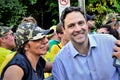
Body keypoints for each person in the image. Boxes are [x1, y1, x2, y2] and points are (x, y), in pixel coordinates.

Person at [52, 6, 120, 80]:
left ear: (86, 24)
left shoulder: (109, 42)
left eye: (80, 23)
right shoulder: (60, 61)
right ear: (64, 30)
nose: (77, 29)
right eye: (71, 26)